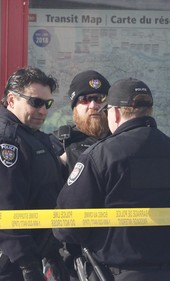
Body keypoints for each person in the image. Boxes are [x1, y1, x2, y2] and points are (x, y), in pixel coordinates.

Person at [53, 77, 170, 281]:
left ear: (114, 113)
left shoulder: (100, 156)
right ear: (149, 111)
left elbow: (67, 226)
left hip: (120, 273)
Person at [0, 66, 69, 281]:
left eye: (47, 103)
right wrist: (28, 263)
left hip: (27, 253)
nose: (43, 110)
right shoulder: (6, 141)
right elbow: (3, 208)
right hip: (6, 257)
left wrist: (51, 253)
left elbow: (43, 195)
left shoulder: (30, 137)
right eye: (35, 102)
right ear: (12, 100)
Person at [51, 70, 111, 280]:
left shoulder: (123, 141)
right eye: (85, 100)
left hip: (114, 251)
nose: (93, 105)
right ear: (74, 107)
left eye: (100, 99)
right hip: (70, 255)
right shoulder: (58, 144)